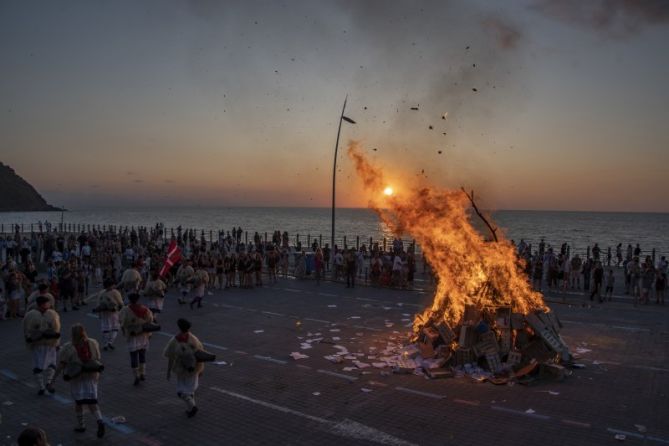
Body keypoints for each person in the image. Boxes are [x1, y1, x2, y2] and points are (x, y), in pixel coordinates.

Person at [56, 324, 105, 438]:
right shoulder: (93, 343)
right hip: (91, 377)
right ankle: (100, 421)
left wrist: (52, 381)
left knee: (79, 402)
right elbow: (97, 359)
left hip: (77, 378)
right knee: (92, 402)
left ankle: (81, 425)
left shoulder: (68, 347)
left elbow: (62, 365)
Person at [163, 318, 205, 418]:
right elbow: (201, 355)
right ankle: (190, 409)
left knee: (181, 392)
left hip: (180, 369)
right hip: (194, 369)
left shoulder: (174, 340)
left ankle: (193, 407)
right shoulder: (194, 339)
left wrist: (168, 371)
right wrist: (201, 369)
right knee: (190, 390)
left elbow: (170, 357)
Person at [23, 296, 61, 395]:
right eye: (46, 303)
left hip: (50, 344)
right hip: (38, 345)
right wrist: (31, 339)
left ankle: (48, 383)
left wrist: (57, 343)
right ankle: (41, 387)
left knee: (52, 364)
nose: (49, 305)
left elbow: (57, 329)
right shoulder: (30, 315)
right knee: (37, 366)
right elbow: (27, 330)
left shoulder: (52, 314)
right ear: (40, 304)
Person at [119, 293, 154, 385]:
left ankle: (136, 376)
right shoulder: (145, 309)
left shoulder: (125, 310)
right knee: (142, 354)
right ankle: (143, 373)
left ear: (129, 300)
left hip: (132, 335)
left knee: (133, 356)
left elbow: (121, 323)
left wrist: (124, 332)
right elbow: (150, 321)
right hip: (143, 335)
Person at [90, 278, 124, 351]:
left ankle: (106, 343)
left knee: (105, 328)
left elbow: (98, 303)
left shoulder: (101, 292)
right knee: (115, 328)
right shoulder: (115, 292)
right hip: (113, 312)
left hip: (103, 312)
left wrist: (99, 312)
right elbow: (120, 303)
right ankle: (110, 342)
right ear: (111, 285)